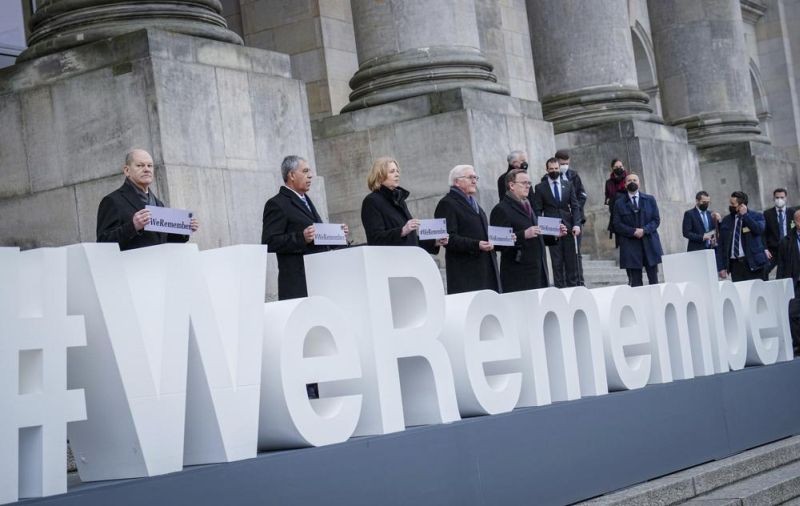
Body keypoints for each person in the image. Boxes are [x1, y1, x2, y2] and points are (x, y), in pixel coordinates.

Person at [262, 155, 349, 301]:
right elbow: (269, 242)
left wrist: (338, 235)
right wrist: (301, 237)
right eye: (305, 171)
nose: (310, 176)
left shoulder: (306, 200)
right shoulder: (277, 204)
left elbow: (316, 238)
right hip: (299, 284)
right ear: (292, 175)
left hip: (320, 280)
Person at [97, 148, 199, 250]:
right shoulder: (112, 201)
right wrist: (133, 226)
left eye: (149, 165)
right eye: (140, 165)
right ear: (127, 170)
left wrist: (184, 229)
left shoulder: (158, 203)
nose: (146, 169)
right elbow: (102, 243)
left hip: (159, 263)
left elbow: (164, 241)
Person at [434, 165, 501, 294]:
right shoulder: (447, 204)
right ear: (456, 182)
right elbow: (449, 239)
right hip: (467, 274)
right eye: (470, 177)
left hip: (485, 268)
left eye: (475, 177)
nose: (474, 181)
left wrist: (500, 239)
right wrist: (477, 245)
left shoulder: (474, 203)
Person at [360, 157, 447, 251]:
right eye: (392, 171)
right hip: (391, 262)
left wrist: (435, 242)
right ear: (380, 176)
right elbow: (375, 239)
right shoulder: (372, 201)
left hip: (409, 259)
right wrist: (402, 231)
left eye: (397, 171)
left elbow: (409, 239)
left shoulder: (399, 200)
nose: (397, 174)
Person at [490, 168, 555, 292]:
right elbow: (497, 243)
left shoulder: (528, 205)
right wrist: (522, 235)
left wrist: (555, 235)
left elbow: (535, 234)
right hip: (518, 274)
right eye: (524, 183)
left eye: (529, 183)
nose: (528, 186)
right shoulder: (501, 209)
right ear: (511, 185)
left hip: (538, 269)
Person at [533, 157, 582, 288]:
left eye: (556, 168)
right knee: (557, 263)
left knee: (571, 263)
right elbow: (537, 210)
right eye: (551, 169)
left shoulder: (568, 185)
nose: (554, 171)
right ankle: (560, 290)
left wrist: (577, 224)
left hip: (568, 228)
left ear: (559, 169)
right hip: (552, 230)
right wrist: (544, 228)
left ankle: (573, 289)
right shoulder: (540, 188)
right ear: (547, 170)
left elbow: (575, 206)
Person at [612, 173, 663, 287]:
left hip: (649, 243)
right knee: (635, 282)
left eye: (635, 180)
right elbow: (616, 224)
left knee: (654, 280)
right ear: (625, 184)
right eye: (629, 180)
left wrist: (644, 230)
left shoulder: (650, 199)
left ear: (639, 183)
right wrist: (633, 231)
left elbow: (656, 220)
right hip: (630, 245)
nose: (632, 182)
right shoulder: (619, 203)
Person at [716, 191, 768, 282]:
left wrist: (745, 216)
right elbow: (721, 245)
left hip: (753, 263)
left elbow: (758, 230)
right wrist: (721, 267)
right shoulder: (727, 220)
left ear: (742, 205)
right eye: (730, 203)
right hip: (735, 266)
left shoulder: (757, 216)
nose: (730, 206)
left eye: (733, 204)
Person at [776, 208, 800, 355]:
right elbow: (782, 264)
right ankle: (798, 344)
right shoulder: (786, 241)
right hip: (796, 283)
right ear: (795, 222)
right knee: (794, 314)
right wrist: (781, 284)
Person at [764, 188, 795, 275]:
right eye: (777, 198)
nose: (779, 200)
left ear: (786, 198)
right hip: (773, 250)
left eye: (782, 197)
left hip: (790, 248)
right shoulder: (767, 214)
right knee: (764, 270)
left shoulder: (793, 213)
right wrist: (765, 248)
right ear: (773, 198)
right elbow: (763, 233)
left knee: (789, 273)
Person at [604, 159, 627, 245]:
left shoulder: (628, 179)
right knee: (620, 242)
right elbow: (607, 197)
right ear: (612, 168)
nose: (619, 168)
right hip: (616, 214)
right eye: (616, 167)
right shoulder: (608, 183)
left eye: (621, 166)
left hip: (628, 213)